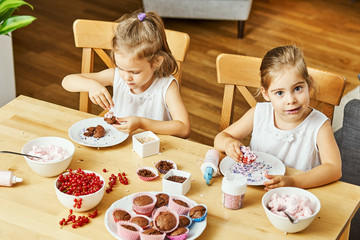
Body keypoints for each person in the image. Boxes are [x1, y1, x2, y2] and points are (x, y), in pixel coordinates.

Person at [214, 45, 342, 190]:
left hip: (296, 194)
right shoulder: (259, 113)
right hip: (254, 191)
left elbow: (334, 169)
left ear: (309, 85)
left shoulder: (319, 125)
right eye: (280, 93)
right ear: (266, 94)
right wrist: (229, 144)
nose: (291, 100)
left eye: (298, 88)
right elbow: (220, 138)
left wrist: (293, 181)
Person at [62, 11, 191, 138]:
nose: (126, 77)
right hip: (119, 145)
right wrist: (91, 86)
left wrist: (141, 123)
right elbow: (67, 81)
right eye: (121, 68)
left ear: (156, 61)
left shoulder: (166, 86)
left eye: (135, 72)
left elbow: (184, 129)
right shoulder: (116, 76)